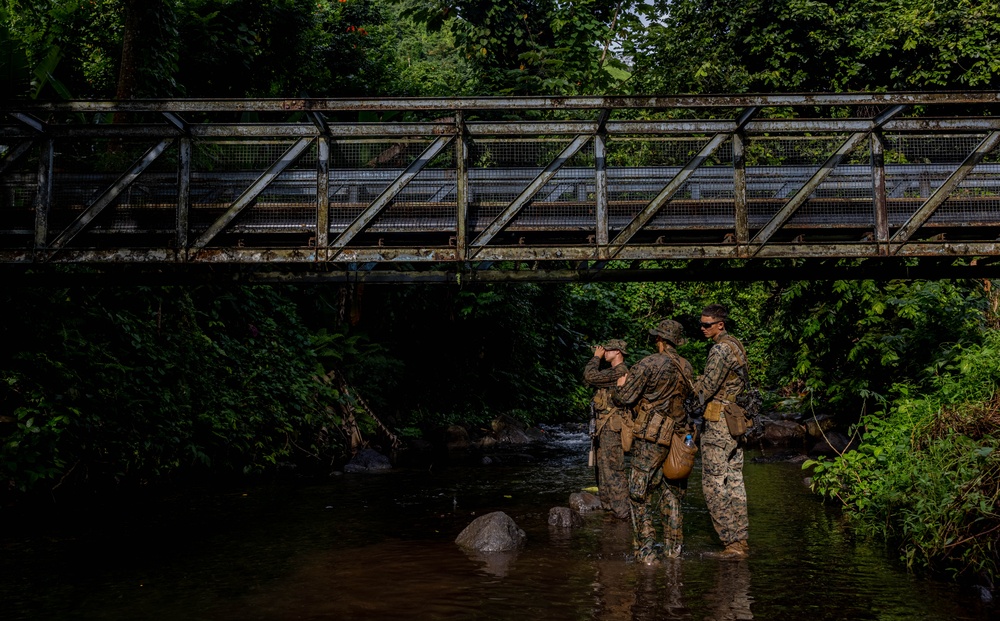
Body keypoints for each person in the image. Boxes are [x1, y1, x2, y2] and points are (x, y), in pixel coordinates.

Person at [613, 320, 694, 564]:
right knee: (672, 494)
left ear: (659, 339)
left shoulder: (649, 363)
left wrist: (619, 387)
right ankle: (674, 551)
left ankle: (646, 553)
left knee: (639, 493)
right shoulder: (686, 367)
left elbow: (624, 398)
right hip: (680, 438)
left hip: (651, 437)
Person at [694, 303, 751, 559]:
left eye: (707, 324)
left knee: (713, 484)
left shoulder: (719, 349)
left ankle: (732, 544)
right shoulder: (736, 344)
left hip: (718, 422)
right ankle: (742, 539)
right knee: (735, 481)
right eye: (701, 324)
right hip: (735, 420)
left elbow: (706, 389)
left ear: (720, 325)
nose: (703, 328)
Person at [582, 339, 631, 519]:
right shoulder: (612, 372)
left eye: (607, 350)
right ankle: (609, 508)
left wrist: (596, 358)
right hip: (604, 426)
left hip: (612, 426)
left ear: (617, 352)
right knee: (602, 468)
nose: (604, 352)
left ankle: (622, 511)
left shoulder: (619, 371)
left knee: (613, 468)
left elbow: (590, 376)